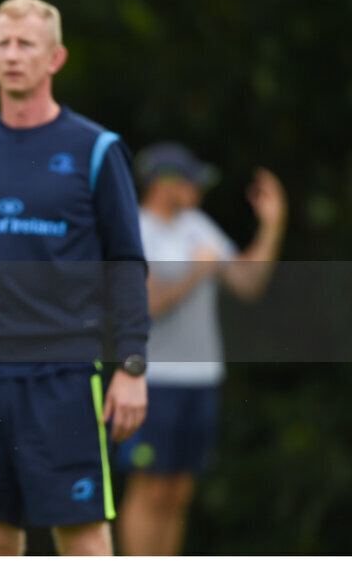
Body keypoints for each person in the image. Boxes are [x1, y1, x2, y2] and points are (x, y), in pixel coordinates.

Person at [0, 0, 150, 555]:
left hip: (64, 374)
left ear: (55, 58)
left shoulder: (96, 150)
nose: (12, 55)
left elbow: (126, 262)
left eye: (26, 44)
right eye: (2, 44)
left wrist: (131, 365)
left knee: (80, 533)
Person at [115, 142, 287, 556]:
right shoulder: (136, 228)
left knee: (178, 493)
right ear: (165, 183)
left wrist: (271, 224)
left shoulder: (197, 225)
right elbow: (144, 304)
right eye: (191, 180)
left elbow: (248, 284)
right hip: (155, 382)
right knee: (150, 489)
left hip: (202, 379)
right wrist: (196, 273)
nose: (198, 188)